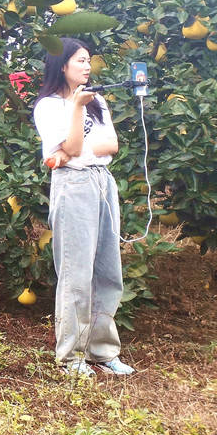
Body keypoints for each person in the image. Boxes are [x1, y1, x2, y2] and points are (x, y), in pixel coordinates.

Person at [31, 38, 136, 378]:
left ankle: (102, 351)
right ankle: (71, 357)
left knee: (108, 269)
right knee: (76, 272)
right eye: (80, 61)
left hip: (102, 181)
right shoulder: (48, 107)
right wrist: (75, 114)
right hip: (72, 185)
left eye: (89, 60)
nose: (88, 66)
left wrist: (71, 150)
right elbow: (71, 149)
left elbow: (112, 144)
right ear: (62, 65)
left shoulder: (98, 100)